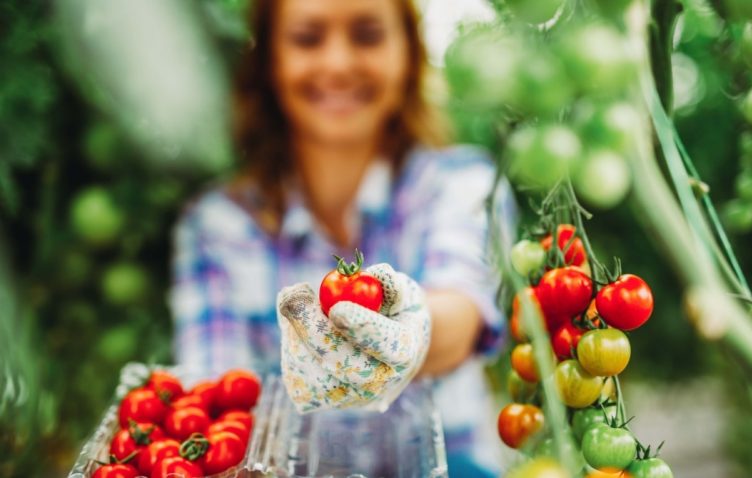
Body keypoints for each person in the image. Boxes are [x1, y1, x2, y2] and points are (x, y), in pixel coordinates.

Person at [170, 0, 515, 475]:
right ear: (270, 61)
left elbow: (461, 313)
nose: (337, 63)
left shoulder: (461, 184)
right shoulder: (218, 227)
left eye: (367, 35)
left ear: (409, 54)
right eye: (308, 38)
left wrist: (411, 331)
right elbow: (218, 408)